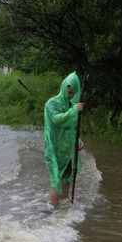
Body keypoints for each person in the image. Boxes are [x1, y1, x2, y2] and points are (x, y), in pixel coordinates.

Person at [44, 71, 84, 207]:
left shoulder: (70, 105)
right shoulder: (52, 103)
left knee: (67, 178)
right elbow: (56, 120)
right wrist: (73, 111)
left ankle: (65, 207)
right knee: (56, 178)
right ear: (62, 88)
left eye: (72, 93)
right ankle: (53, 211)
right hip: (55, 148)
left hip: (67, 149)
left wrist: (77, 141)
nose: (69, 95)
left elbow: (70, 128)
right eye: (67, 92)